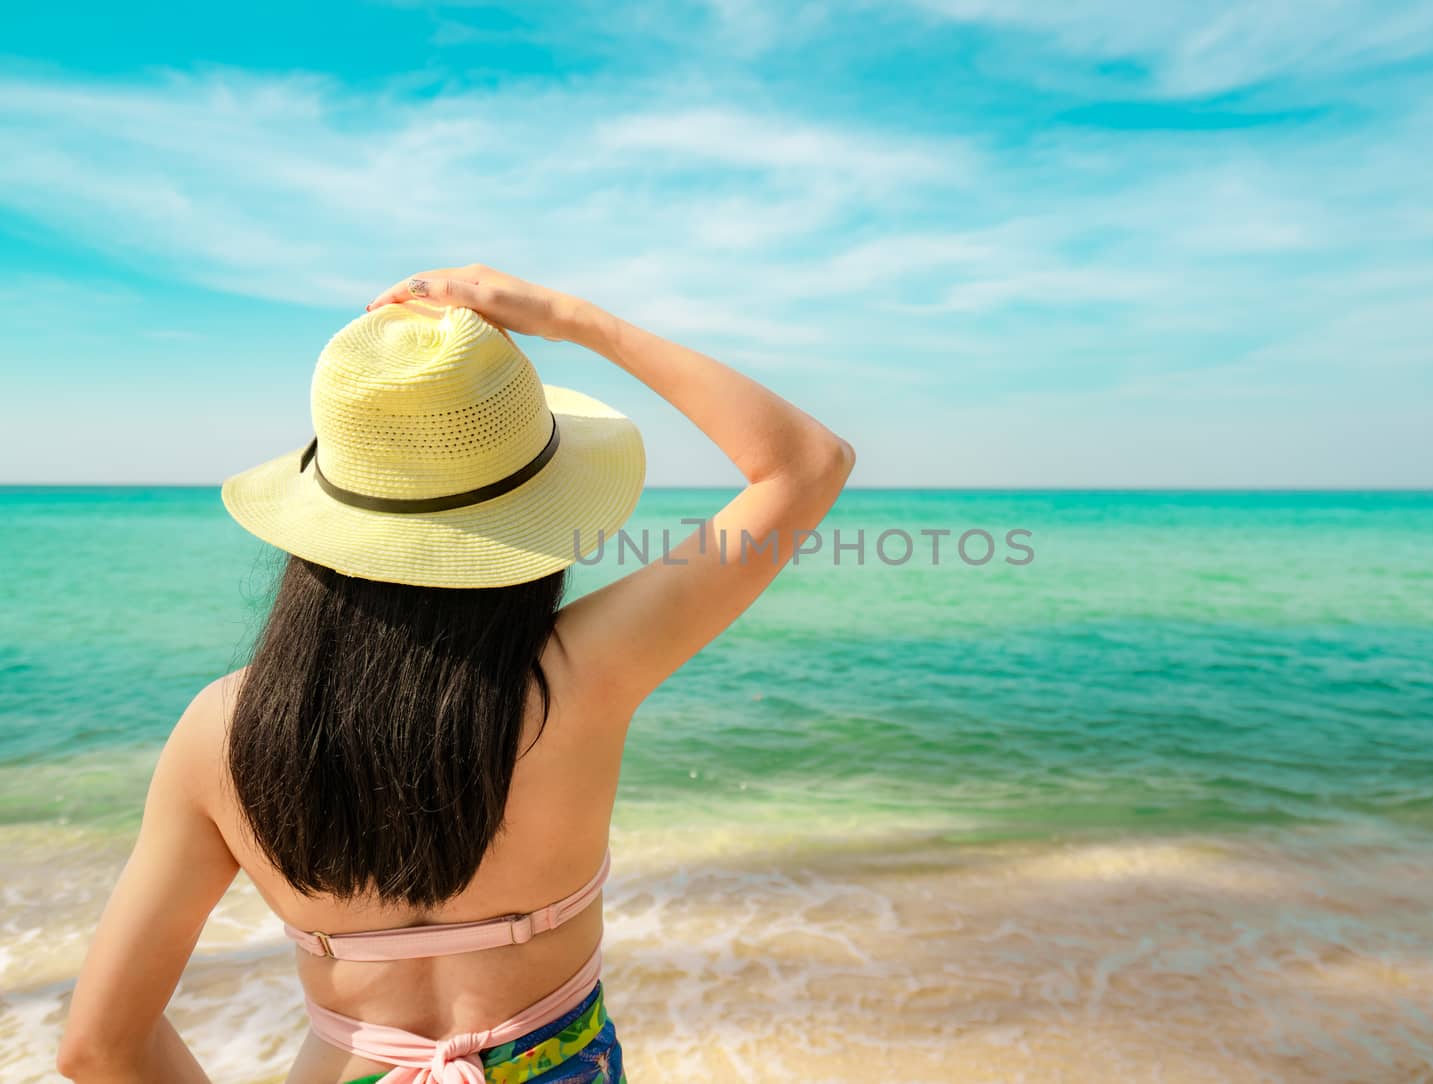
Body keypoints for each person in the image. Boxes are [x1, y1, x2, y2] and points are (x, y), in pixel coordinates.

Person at [56, 264, 855, 1084]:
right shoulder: (583, 673)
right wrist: (569, 317)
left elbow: (96, 1049)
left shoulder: (217, 734)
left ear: (325, 513)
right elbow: (805, 463)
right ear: (533, 513)